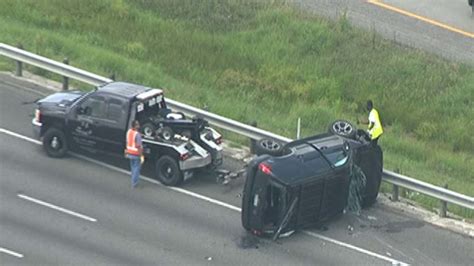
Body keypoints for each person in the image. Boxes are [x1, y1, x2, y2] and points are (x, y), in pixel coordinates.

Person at [125, 120, 143, 188]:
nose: (139, 126)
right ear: (135, 126)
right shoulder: (137, 134)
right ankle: (134, 183)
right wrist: (141, 154)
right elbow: (139, 145)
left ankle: (133, 180)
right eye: (137, 124)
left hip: (129, 152)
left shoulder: (129, 132)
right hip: (136, 153)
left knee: (133, 167)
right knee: (137, 168)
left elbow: (127, 141)